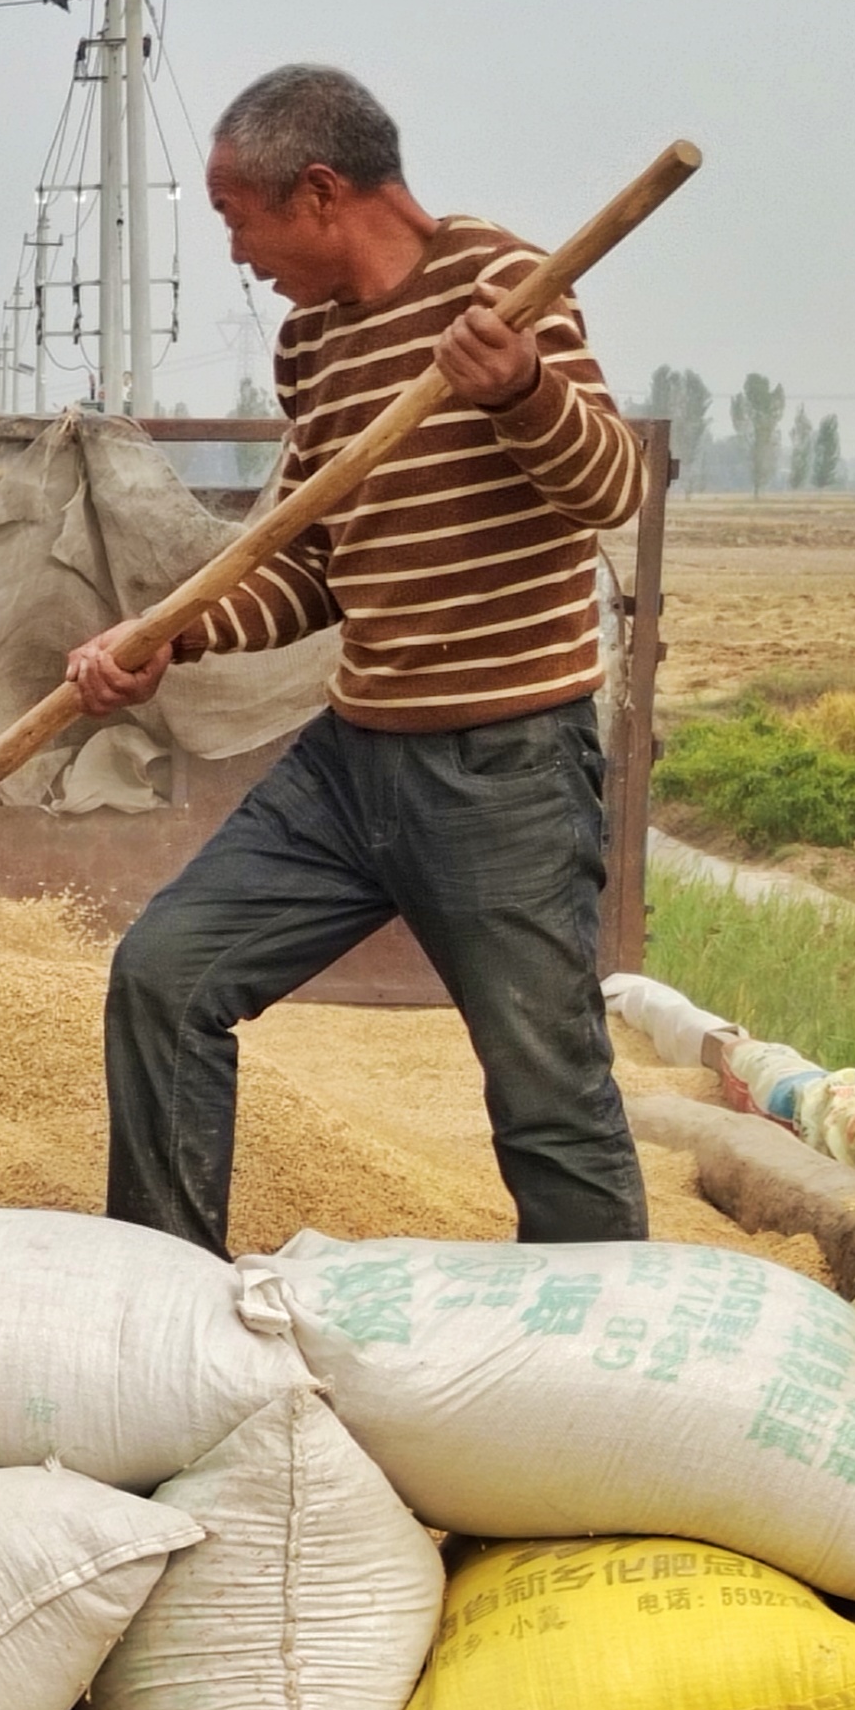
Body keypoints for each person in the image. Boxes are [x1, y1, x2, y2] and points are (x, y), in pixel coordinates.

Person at [67, 63, 650, 1257]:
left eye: (239, 219)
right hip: (349, 768)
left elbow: (610, 491)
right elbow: (323, 566)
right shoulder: (311, 347)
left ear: (320, 192)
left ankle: (601, 1360)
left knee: (548, 1099)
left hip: (504, 772)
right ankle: (161, 1305)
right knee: (168, 978)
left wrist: (525, 392)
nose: (238, 253)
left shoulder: (502, 286)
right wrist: (178, 632)